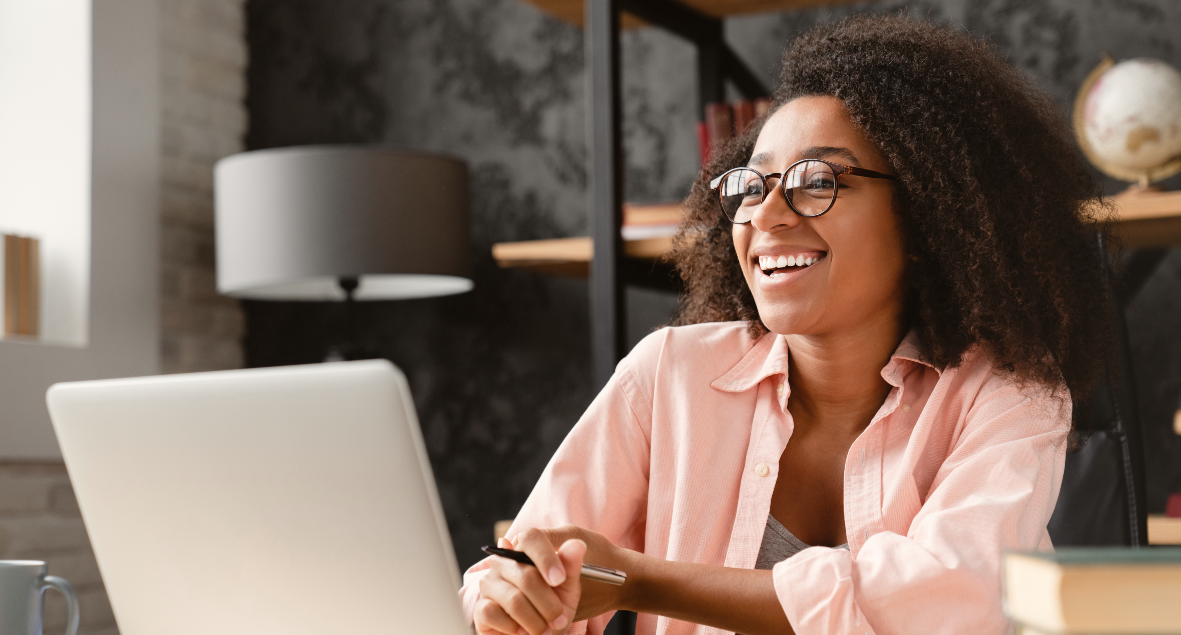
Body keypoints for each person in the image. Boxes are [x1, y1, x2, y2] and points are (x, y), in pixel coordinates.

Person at [460, 14, 1115, 635]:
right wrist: (515, 597)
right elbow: (531, 567)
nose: (766, 214)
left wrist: (637, 579)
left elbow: (946, 602)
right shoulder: (668, 375)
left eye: (816, 180)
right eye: (751, 185)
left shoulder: (1008, 393)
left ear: (925, 215)